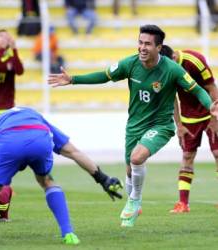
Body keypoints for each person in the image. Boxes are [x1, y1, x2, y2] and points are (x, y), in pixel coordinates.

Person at [48, 24, 218, 227]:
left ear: (158, 47)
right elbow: (104, 76)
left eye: (147, 44)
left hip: (161, 125)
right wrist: (73, 80)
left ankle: (135, 201)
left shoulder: (172, 69)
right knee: (130, 170)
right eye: (140, 42)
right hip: (134, 125)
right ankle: (133, 201)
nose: (142, 47)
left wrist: (211, 106)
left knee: (137, 158)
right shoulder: (130, 64)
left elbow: (198, 90)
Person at [0, 107, 123, 245]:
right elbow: (73, 152)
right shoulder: (37, 117)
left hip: (8, 140)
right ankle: (68, 233)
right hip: (39, 136)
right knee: (46, 180)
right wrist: (102, 178)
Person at [160, 45, 218, 213]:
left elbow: (211, 88)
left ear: (173, 57)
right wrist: (179, 125)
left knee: (217, 154)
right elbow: (172, 99)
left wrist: (215, 119)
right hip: (188, 119)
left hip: (209, 114)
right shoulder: (164, 70)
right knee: (187, 156)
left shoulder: (195, 60)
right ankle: (183, 203)